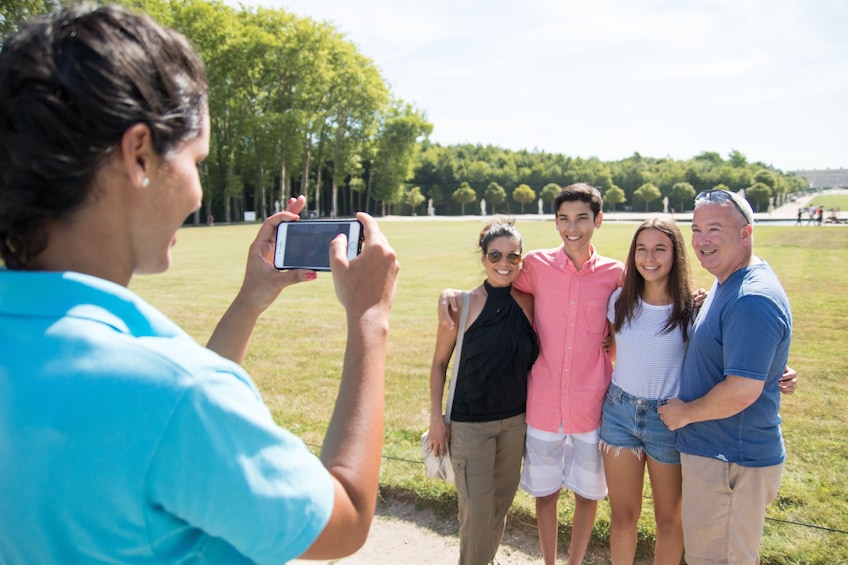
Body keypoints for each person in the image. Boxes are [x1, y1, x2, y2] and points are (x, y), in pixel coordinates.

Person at [0, 5, 399, 564]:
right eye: (196, 161)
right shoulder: (175, 396)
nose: (197, 193)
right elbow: (347, 518)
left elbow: (165, 432)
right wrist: (370, 319)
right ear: (140, 154)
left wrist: (249, 301)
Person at [441, 183, 624, 564]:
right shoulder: (536, 266)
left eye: (582, 219)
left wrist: (695, 298)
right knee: (547, 493)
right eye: (564, 219)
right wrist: (451, 293)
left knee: (588, 494)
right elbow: (497, 282)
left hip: (591, 404)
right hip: (540, 404)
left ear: (599, 221)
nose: (572, 227)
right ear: (555, 221)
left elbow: (650, 298)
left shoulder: (615, 274)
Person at [658, 189, 792, 564]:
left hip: (731, 460)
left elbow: (741, 390)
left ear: (745, 234)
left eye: (714, 229)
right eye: (697, 229)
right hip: (719, 457)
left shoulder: (751, 297)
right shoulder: (728, 282)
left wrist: (683, 414)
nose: (702, 240)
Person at [428, 216, 539, 565]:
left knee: (498, 507)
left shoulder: (530, 303)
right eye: (496, 256)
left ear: (521, 259)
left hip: (515, 422)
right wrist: (436, 419)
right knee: (476, 513)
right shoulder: (460, 304)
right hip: (469, 426)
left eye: (513, 256)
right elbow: (438, 364)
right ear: (483, 259)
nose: (504, 264)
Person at [600, 216, 695, 565]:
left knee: (669, 520)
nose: (649, 258)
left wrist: (781, 372)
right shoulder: (619, 301)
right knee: (623, 516)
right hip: (619, 413)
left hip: (667, 421)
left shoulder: (693, 309)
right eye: (642, 249)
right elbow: (612, 351)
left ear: (676, 254)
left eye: (659, 249)